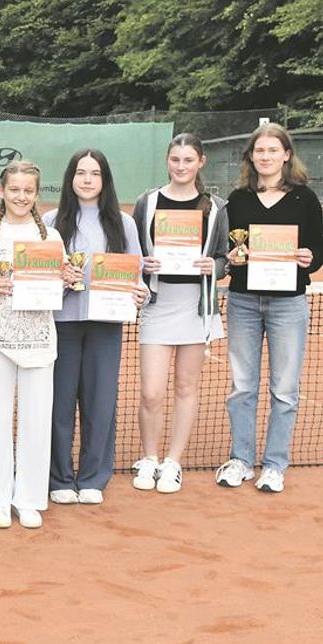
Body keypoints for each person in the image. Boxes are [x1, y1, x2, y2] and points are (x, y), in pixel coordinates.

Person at [215, 123, 323, 493]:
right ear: (251, 157)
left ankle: (275, 464)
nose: (265, 157)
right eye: (259, 151)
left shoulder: (305, 199)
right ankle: (241, 459)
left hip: (288, 305)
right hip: (243, 301)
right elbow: (231, 252)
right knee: (242, 387)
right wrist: (231, 259)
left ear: (286, 155)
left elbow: (318, 250)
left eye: (272, 151)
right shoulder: (238, 199)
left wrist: (310, 258)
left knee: (284, 389)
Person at [44, 149, 148, 506]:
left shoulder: (124, 223)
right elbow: (39, 279)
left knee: (100, 403)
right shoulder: (50, 221)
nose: (87, 179)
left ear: (105, 180)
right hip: (62, 326)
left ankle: (92, 477)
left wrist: (140, 293)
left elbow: (138, 277)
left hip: (106, 327)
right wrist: (59, 278)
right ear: (70, 178)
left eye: (95, 173)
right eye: (80, 172)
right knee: (58, 404)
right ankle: (58, 478)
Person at [0, 161, 64, 529]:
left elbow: (58, 285)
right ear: (2, 192)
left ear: (36, 195)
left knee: (37, 420)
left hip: (39, 339)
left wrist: (66, 277)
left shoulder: (50, 239)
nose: (21, 196)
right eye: (14, 189)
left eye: (28, 191)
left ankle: (29, 498)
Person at [132, 133, 229, 494]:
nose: (182, 166)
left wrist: (213, 266)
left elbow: (223, 257)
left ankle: (173, 461)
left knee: (187, 387)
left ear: (200, 162)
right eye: (176, 159)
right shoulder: (148, 202)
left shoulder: (216, 206)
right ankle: (149, 457)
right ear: (168, 161)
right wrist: (144, 264)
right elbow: (135, 253)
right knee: (151, 392)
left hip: (196, 306)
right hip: (159, 305)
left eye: (189, 160)